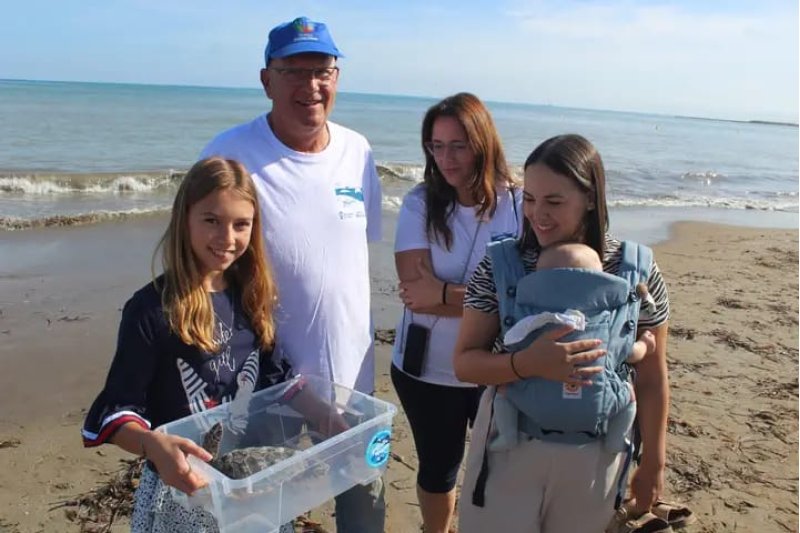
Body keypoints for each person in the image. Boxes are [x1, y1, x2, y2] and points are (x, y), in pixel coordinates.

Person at [199, 16, 384, 532]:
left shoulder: (358, 150)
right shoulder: (230, 153)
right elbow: (202, 268)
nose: (311, 86)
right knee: (261, 516)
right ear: (266, 79)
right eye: (294, 71)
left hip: (353, 379)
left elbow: (347, 263)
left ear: (337, 76)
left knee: (364, 514)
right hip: (265, 386)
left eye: (323, 70)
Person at [453, 134, 671, 532]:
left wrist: (654, 461)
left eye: (554, 201)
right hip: (508, 446)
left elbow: (653, 375)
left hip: (598, 454)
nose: (538, 215)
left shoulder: (635, 270)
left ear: (590, 198)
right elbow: (465, 363)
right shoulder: (501, 266)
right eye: (530, 199)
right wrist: (525, 364)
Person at [81, 157, 303, 532]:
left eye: (241, 225)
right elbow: (117, 414)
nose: (227, 238)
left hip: (251, 485)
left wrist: (329, 415)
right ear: (184, 218)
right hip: (183, 489)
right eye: (211, 220)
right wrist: (152, 445)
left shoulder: (252, 299)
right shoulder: (152, 309)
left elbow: (280, 383)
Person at [391, 92, 522, 533]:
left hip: (494, 366)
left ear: (483, 143)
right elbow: (415, 292)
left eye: (458, 145)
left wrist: (444, 293)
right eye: (436, 145)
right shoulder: (419, 203)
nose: (446, 158)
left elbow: (525, 299)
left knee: (499, 470)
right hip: (425, 370)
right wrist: (494, 298)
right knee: (437, 469)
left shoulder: (520, 206)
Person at [489, 241, 657, 454]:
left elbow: (511, 343)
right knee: (629, 395)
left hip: (534, 405)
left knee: (503, 390)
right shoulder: (608, 324)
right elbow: (629, 353)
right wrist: (645, 345)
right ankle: (616, 439)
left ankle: (507, 435)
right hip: (596, 404)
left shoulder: (533, 320)